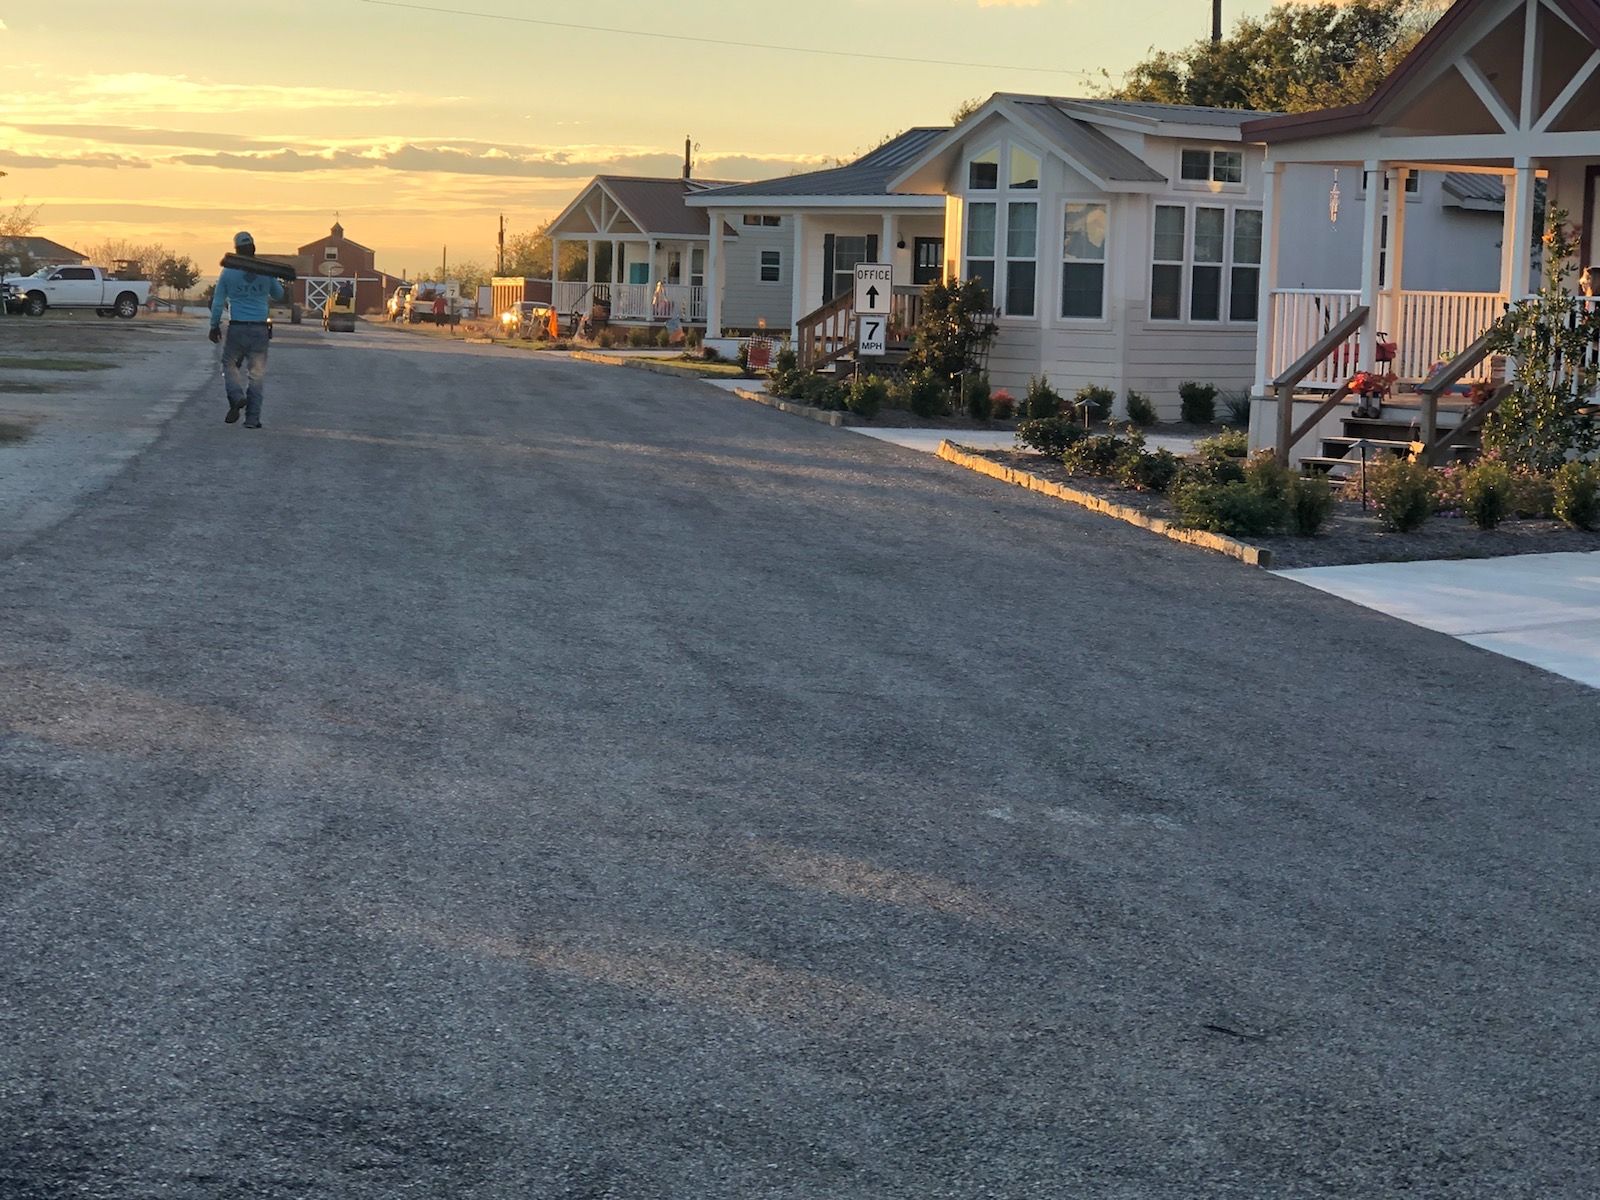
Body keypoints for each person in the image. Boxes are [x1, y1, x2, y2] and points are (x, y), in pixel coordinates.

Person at [209, 231, 285, 428]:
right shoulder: (265, 271)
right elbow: (279, 294)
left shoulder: (228, 272)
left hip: (237, 327)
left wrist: (214, 325)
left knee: (229, 364)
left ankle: (236, 396)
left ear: (236, 250)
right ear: (253, 247)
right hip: (260, 329)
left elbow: (218, 301)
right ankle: (252, 419)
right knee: (256, 374)